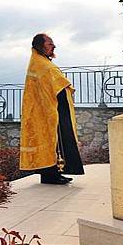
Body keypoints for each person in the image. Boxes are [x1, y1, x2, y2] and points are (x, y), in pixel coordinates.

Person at [20, 33, 85, 185]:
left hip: (50, 108)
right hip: (49, 110)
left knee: (54, 141)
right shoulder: (41, 64)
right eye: (50, 44)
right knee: (55, 141)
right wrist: (66, 86)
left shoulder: (40, 61)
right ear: (39, 46)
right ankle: (51, 175)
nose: (53, 46)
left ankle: (52, 174)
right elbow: (54, 85)